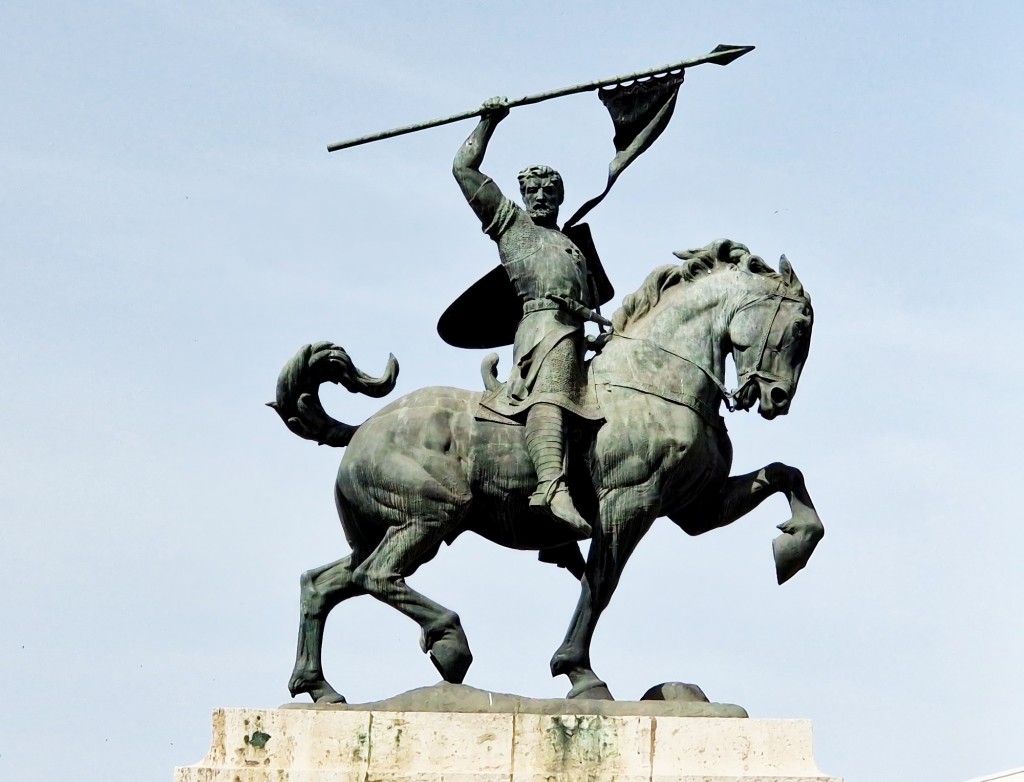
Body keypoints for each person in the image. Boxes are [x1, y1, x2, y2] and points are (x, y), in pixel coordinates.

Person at [453, 97, 610, 539]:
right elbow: (463, 170)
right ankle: (549, 487)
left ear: (560, 196)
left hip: (577, 333)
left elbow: (588, 302)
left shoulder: (573, 248)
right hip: (544, 330)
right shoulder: (513, 227)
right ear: (521, 196)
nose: (540, 196)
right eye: (532, 191)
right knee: (555, 385)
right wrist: (488, 122)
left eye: (548, 191)